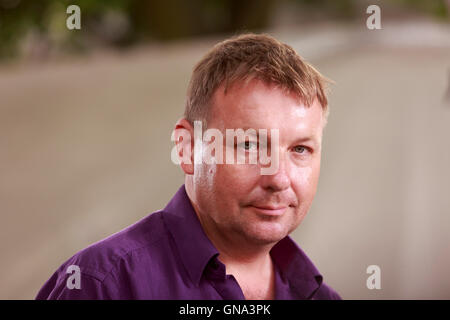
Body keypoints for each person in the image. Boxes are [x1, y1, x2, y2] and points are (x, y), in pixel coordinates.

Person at [36, 33, 341, 300]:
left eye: (300, 149)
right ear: (188, 148)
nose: (278, 177)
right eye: (249, 145)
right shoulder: (101, 286)